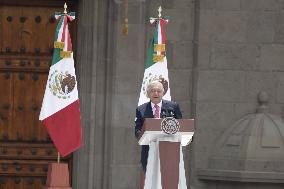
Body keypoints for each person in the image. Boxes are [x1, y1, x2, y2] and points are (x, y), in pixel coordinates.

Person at [134, 80, 183, 175]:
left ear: (163, 93)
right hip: (149, 152)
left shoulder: (173, 107)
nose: (155, 93)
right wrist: (142, 135)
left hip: (169, 151)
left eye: (158, 91)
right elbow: (137, 130)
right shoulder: (141, 109)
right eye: (152, 91)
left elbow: (181, 126)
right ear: (148, 93)